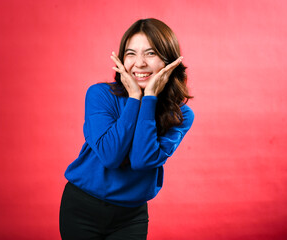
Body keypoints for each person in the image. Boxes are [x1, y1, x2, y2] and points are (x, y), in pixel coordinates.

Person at [59, 18, 194, 240]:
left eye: (151, 53)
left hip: (131, 215)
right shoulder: (100, 95)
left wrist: (149, 98)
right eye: (131, 54)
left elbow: (142, 160)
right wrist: (134, 98)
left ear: (169, 61)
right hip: (82, 207)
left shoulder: (180, 115)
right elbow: (111, 156)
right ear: (122, 60)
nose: (139, 63)